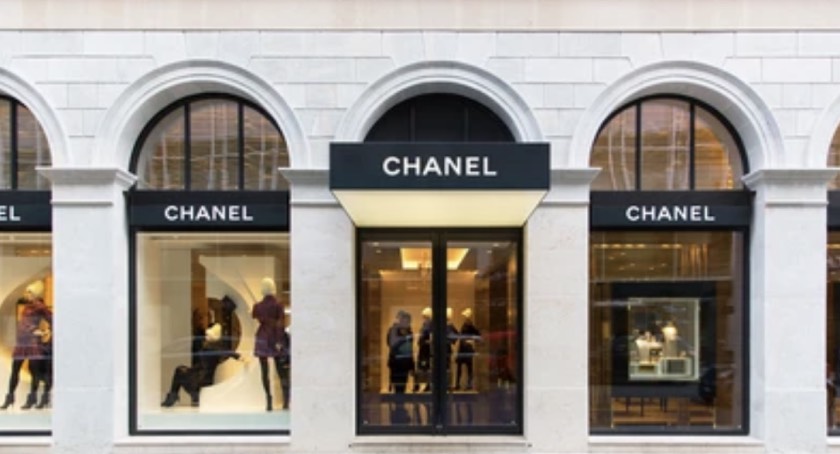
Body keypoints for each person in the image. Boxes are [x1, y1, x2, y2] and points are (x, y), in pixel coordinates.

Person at [160, 321, 241, 407]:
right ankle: (174, 396)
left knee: (179, 371)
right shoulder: (210, 347)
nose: (205, 337)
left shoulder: (213, 348)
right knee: (180, 370)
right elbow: (203, 364)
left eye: (208, 335)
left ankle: (173, 396)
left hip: (201, 380)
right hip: (201, 377)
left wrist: (239, 357)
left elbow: (227, 352)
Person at [1, 280, 52, 410]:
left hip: (32, 342)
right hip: (22, 342)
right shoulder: (28, 306)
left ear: (35, 294)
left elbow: (52, 319)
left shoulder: (40, 307)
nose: (26, 294)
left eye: (29, 292)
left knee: (34, 371)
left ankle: (32, 398)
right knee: (15, 370)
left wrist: (45, 332)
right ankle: (10, 397)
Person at [252, 277, 290, 411]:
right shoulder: (278, 305)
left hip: (263, 337)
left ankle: (268, 399)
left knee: (264, 371)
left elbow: (256, 317)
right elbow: (280, 324)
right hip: (275, 337)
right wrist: (279, 340)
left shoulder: (257, 306)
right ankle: (286, 401)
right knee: (282, 371)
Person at [386, 310, 414, 394]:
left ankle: (401, 399)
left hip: (406, 362)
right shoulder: (393, 330)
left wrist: (412, 365)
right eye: (405, 321)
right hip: (396, 362)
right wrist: (404, 339)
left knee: (403, 384)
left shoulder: (409, 331)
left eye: (408, 321)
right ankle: (398, 399)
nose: (407, 323)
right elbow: (391, 344)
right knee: (397, 384)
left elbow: (410, 349)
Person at [455, 308, 481, 390]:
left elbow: (478, 336)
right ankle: (458, 384)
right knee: (461, 367)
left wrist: (471, 340)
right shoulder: (465, 324)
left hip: (466, 349)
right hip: (462, 348)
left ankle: (468, 384)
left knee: (469, 367)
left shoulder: (470, 326)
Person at [415, 307, 433, 392]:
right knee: (422, 367)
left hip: (425, 350)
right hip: (423, 349)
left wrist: (426, 342)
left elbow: (430, 338)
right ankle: (420, 385)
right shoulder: (425, 324)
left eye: (425, 316)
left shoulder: (429, 325)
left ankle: (425, 385)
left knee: (424, 367)